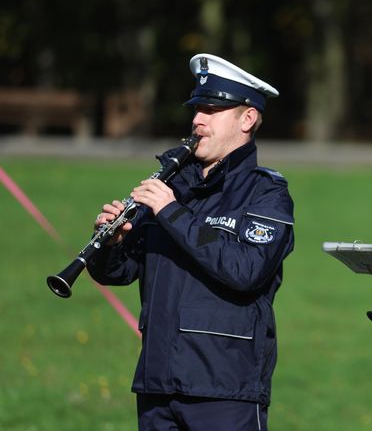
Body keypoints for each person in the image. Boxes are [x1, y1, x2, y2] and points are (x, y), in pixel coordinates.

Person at [87, 53, 295, 431]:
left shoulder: (266, 195)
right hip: (156, 383)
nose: (197, 120)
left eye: (211, 109)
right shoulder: (173, 184)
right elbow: (118, 273)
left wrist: (172, 213)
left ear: (247, 118)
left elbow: (245, 271)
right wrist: (110, 244)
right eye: (197, 109)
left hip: (224, 388)